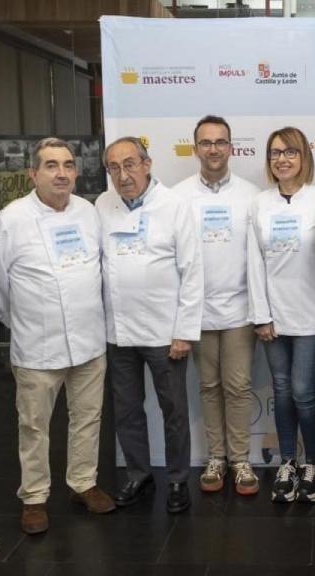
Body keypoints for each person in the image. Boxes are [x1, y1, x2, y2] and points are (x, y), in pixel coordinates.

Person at [0, 138, 115, 535]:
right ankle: (35, 497)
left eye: (68, 165)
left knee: (88, 418)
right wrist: (23, 319)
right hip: (37, 346)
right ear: (33, 173)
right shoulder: (11, 219)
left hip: (88, 341)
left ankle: (83, 482)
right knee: (34, 426)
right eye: (51, 165)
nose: (61, 173)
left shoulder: (88, 212)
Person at [98, 137, 203, 514]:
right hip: (119, 330)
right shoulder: (102, 205)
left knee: (173, 410)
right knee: (127, 409)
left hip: (165, 332)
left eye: (129, 164)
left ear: (147, 164)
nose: (123, 175)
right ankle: (138, 474)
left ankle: (177, 480)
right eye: (114, 167)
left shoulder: (174, 205)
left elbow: (192, 271)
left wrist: (184, 332)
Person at [172, 115, 262, 496]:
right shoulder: (178, 197)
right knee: (208, 386)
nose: (213, 149)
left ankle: (240, 460)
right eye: (206, 143)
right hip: (199, 310)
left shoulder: (251, 195)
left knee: (237, 386)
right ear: (196, 149)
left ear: (231, 147)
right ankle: (216, 457)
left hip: (240, 309)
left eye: (220, 142)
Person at [247, 126, 315, 503]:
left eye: (290, 152)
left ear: (304, 157)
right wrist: (261, 315)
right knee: (281, 391)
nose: (282, 159)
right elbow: (254, 263)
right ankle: (288, 461)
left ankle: (314, 463)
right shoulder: (259, 204)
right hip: (273, 316)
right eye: (275, 153)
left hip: (312, 314)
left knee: (303, 392)